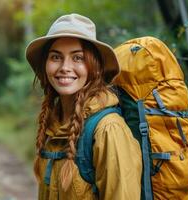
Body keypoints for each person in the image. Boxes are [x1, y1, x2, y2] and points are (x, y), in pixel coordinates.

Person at [25, 13, 142, 200]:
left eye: (77, 58)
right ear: (45, 65)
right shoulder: (53, 126)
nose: (65, 67)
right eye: (56, 57)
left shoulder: (108, 129)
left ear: (94, 67)